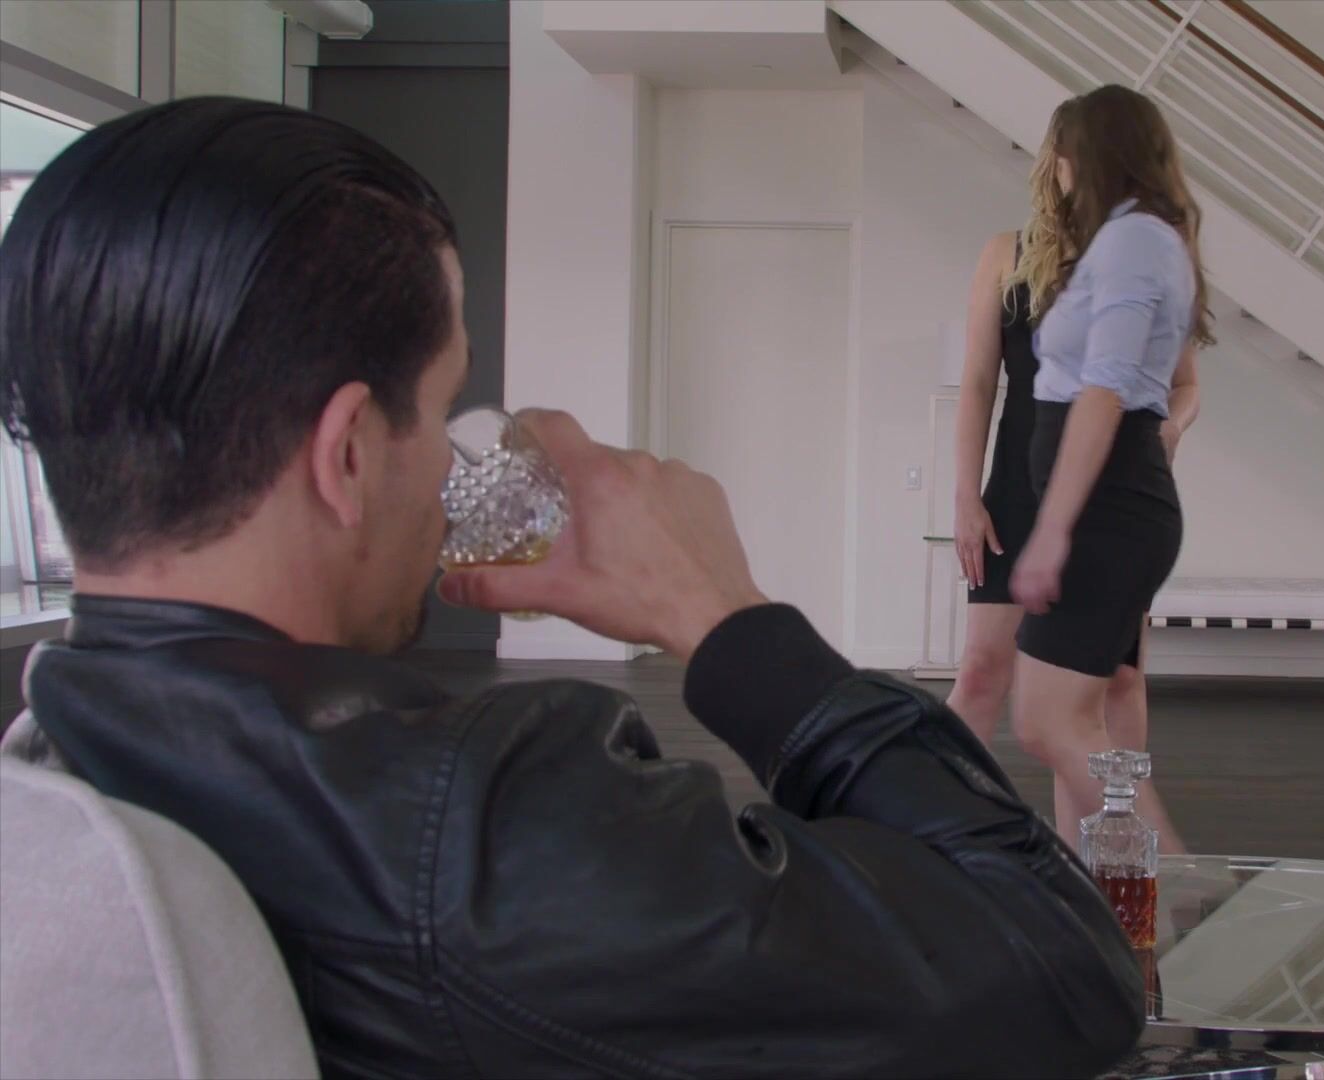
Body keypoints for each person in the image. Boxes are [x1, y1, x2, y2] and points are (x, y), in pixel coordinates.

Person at [0, 97, 1142, 1078]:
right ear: (346, 454)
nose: (450, 467)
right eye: (439, 410)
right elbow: (1061, 965)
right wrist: (724, 617)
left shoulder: (55, 757)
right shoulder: (466, 837)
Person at [948, 99, 1199, 840]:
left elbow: (1159, 385)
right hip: (1020, 484)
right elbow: (978, 383)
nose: (1058, 167)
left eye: (1067, 152)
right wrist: (965, 494)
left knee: (1096, 694)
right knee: (991, 676)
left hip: (1098, 489)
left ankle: (1117, 866)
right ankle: (936, 832)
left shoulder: (1128, 249)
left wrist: (1167, 431)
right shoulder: (1010, 252)